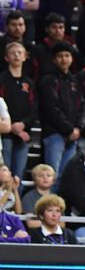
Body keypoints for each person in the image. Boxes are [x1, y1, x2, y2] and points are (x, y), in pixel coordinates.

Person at [39, 41, 85, 180]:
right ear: (54, 59)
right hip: (54, 134)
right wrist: (69, 130)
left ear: (71, 58)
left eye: (67, 55)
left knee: (66, 177)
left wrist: (78, 128)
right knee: (51, 177)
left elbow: (82, 107)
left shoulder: (74, 81)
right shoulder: (48, 80)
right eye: (60, 56)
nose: (64, 59)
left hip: (73, 135)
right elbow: (51, 108)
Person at [0, 42, 37, 179]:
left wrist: (24, 124)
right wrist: (11, 127)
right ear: (6, 57)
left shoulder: (29, 82)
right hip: (4, 135)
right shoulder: (2, 80)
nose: (16, 55)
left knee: (18, 177)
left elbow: (34, 108)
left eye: (19, 52)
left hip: (23, 134)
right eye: (12, 53)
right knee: (3, 175)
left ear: (25, 56)